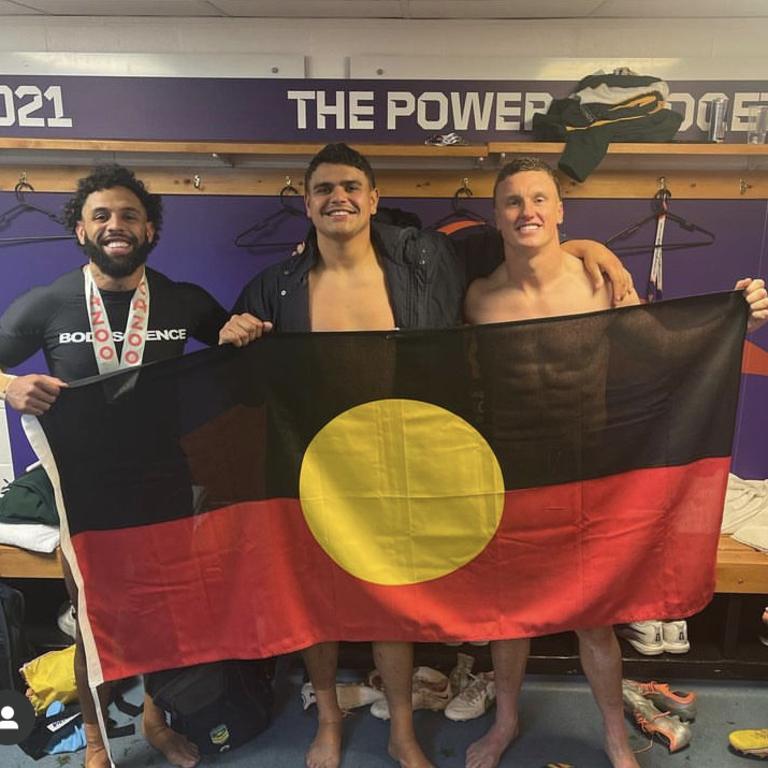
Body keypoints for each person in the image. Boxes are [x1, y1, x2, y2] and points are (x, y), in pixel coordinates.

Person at [219, 142, 634, 768]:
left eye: (352, 187)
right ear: (305, 203)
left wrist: (588, 248)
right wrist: (235, 332)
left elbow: (529, 241)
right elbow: (240, 368)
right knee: (319, 604)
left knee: (392, 599)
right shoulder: (273, 286)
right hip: (319, 464)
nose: (340, 198)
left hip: (408, 458)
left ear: (374, 200)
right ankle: (329, 720)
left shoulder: (427, 257)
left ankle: (403, 731)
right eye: (325, 188)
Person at [463, 156, 768, 768]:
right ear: (496, 216)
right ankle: (506, 723)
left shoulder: (597, 280)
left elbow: (661, 341)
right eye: (514, 201)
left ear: (560, 210)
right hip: (513, 477)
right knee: (511, 618)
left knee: (593, 619)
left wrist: (734, 317)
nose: (528, 211)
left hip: (590, 470)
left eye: (540, 199)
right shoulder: (478, 298)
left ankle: (613, 732)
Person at [0, 164, 230, 768]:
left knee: (161, 613)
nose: (115, 225)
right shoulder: (49, 302)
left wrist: (245, 329)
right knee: (96, 617)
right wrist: (8, 385)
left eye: (129, 214)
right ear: (80, 229)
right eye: (101, 215)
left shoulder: (184, 299)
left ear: (149, 228)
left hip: (163, 482)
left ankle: (154, 721)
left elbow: (234, 339)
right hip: (82, 489)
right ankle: (100, 742)